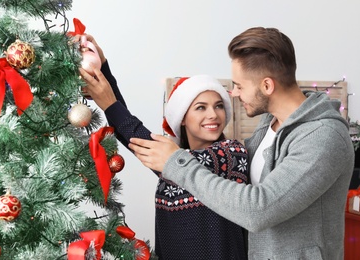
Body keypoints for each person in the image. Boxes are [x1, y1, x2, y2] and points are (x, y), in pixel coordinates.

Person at [128, 27, 355, 260]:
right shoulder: (269, 123)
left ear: (267, 86)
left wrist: (178, 164)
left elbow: (259, 210)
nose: (233, 94)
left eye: (239, 85)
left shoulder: (323, 137)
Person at [77, 35, 249, 259]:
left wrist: (109, 102)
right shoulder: (172, 158)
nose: (213, 115)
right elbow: (130, 134)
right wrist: (103, 67)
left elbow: (135, 132)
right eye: (200, 107)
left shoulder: (233, 154)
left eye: (218, 106)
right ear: (182, 118)